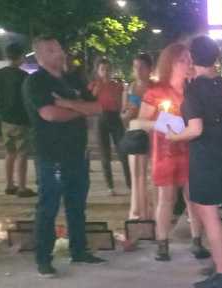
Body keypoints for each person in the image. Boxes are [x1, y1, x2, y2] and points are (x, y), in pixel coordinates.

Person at [23, 36, 107, 277]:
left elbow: (97, 108)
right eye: (51, 50)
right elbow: (50, 114)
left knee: (77, 204)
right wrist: (80, 109)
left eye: (59, 48)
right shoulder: (36, 82)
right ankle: (43, 258)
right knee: (48, 206)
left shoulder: (73, 79)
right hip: (51, 154)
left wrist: (68, 104)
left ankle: (79, 251)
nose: (59, 53)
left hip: (77, 153)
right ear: (39, 56)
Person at [164, 36, 222, 288]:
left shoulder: (194, 88)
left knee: (209, 214)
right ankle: (220, 262)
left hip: (206, 154)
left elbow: (195, 129)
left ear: (193, 59)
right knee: (212, 211)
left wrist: (173, 136)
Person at [139, 43, 208, 262]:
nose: (188, 64)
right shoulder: (156, 91)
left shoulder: (193, 90)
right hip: (165, 150)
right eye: (182, 60)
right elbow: (140, 122)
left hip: (191, 149)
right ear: (170, 63)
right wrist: (162, 123)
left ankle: (197, 241)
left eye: (189, 60)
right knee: (166, 198)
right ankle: (162, 243)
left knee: (193, 198)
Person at [0, 42, 36, 198]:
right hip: (21, 119)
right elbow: (28, 99)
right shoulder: (24, 76)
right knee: (22, 154)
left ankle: (9, 184)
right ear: (21, 57)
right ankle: (22, 187)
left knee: (10, 152)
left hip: (5, 118)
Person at [88, 58, 128, 195]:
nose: (105, 72)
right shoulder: (93, 85)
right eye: (103, 69)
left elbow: (122, 103)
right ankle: (110, 186)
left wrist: (123, 114)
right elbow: (90, 100)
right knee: (105, 154)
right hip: (100, 118)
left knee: (123, 152)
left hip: (115, 118)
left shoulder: (117, 85)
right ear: (98, 71)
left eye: (108, 69)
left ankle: (130, 183)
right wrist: (96, 89)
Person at [122, 53, 154, 220]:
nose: (138, 71)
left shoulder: (155, 88)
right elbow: (123, 115)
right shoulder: (130, 89)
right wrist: (128, 114)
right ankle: (137, 214)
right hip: (135, 136)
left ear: (150, 69)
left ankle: (151, 214)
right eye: (135, 67)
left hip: (152, 134)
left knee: (151, 177)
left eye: (142, 67)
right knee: (136, 176)